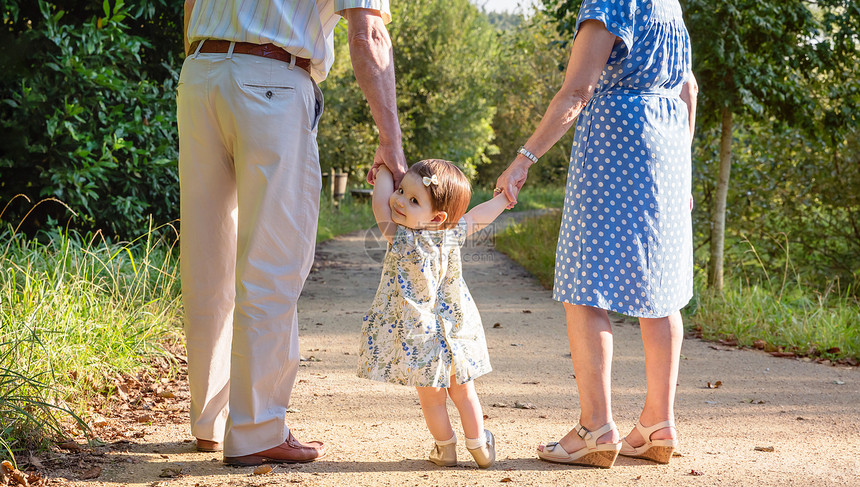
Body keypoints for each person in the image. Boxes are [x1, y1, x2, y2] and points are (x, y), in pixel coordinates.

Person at [177, 0, 408, 466]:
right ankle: (257, 429)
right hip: (271, 82)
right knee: (271, 263)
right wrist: (391, 141)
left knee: (207, 260)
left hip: (199, 74)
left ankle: (212, 421)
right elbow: (368, 35)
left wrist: (216, 57)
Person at [496, 0, 698, 468]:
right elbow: (688, 87)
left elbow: (577, 92)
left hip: (616, 144)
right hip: (668, 145)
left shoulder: (610, 2)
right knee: (661, 289)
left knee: (587, 284)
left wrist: (524, 159)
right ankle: (657, 423)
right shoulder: (669, 4)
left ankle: (596, 427)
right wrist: (682, 170)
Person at [357, 160, 508, 468]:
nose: (398, 200)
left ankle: (445, 448)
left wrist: (385, 168)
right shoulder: (450, 234)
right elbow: (477, 217)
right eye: (400, 190)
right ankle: (479, 445)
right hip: (454, 330)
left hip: (419, 336)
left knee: (432, 400)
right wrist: (503, 199)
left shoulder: (400, 238)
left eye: (413, 200)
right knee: (465, 394)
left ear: (437, 217)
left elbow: (378, 205)